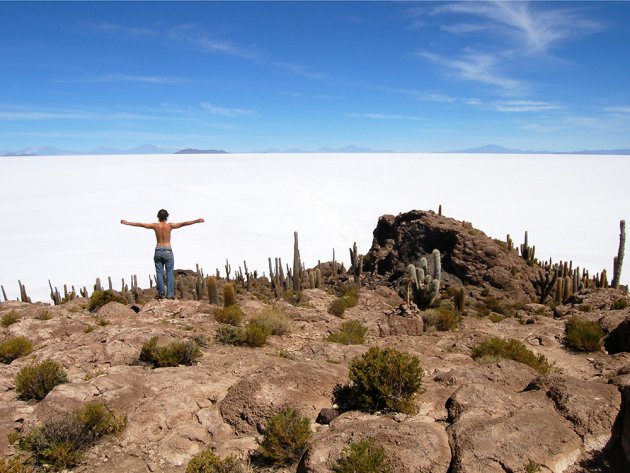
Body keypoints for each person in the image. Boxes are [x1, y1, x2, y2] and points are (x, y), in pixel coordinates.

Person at [121, 209, 204, 299]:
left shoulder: (155, 226)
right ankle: (170, 295)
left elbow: (141, 224)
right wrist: (196, 221)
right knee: (169, 273)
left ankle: (161, 293)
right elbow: (183, 223)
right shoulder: (170, 226)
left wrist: (127, 223)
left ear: (158, 217)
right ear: (167, 217)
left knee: (159, 273)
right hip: (168, 251)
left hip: (158, 250)